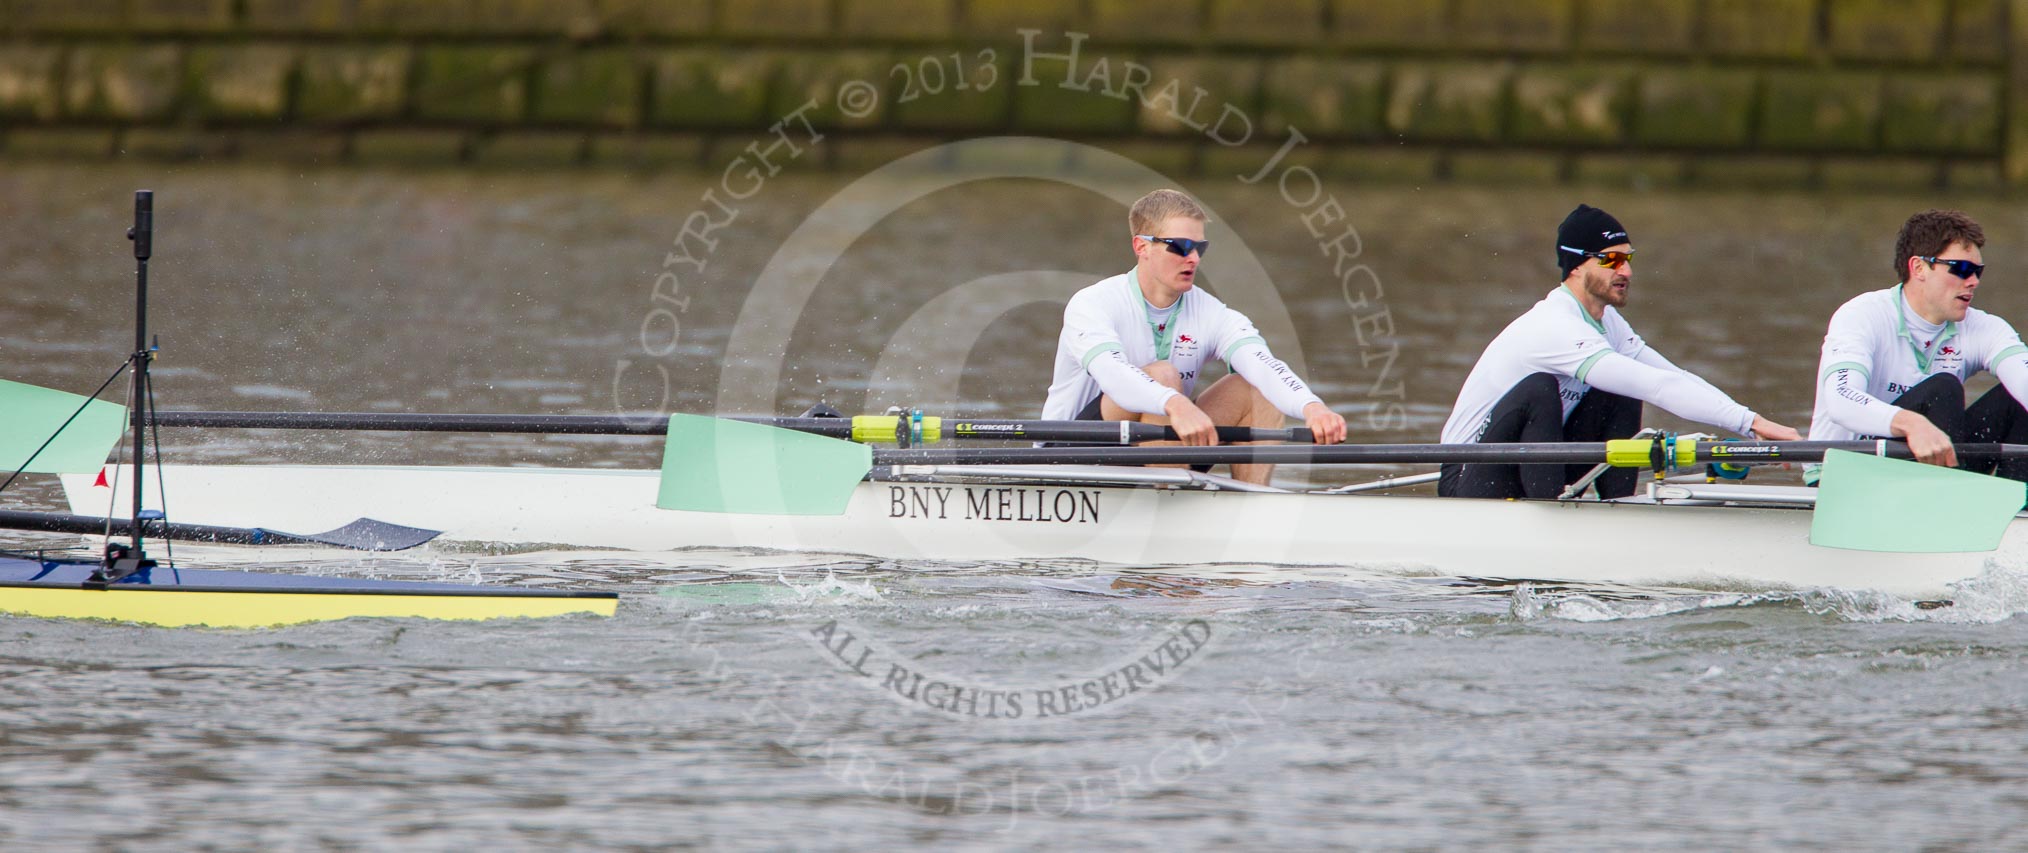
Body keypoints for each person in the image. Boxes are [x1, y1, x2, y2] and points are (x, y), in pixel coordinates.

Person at [1438, 204, 1799, 499]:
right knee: (1540, 389)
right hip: (1470, 475)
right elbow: (1658, 389)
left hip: (1530, 466)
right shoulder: (1553, 325)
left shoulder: (1607, 323)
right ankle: (1549, 517)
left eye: (1628, 259)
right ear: (1577, 266)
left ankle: (1617, 505)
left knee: (1622, 387)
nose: (1625, 270)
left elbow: (1672, 377)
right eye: (1611, 259)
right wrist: (1750, 422)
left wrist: (1749, 423)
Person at [1042, 189, 1347, 486]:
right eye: (1180, 246)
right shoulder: (1093, 303)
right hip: (1074, 454)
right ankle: (1170, 503)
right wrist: (1175, 403)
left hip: (1166, 448)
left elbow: (1263, 364)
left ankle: (1252, 509)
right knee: (1163, 375)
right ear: (1141, 247)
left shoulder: (1212, 312)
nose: (1193, 259)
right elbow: (1113, 375)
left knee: (1256, 388)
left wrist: (1312, 407)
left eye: (1199, 248)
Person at [1806, 208, 2028, 482]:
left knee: (2016, 401)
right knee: (1943, 387)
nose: (1973, 281)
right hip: (1845, 473)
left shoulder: (1983, 328)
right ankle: (1951, 499)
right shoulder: (1862, 315)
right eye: (1961, 269)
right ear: (1919, 268)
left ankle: (2019, 509)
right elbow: (1841, 400)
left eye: (1978, 271)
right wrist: (1912, 424)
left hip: (1933, 472)